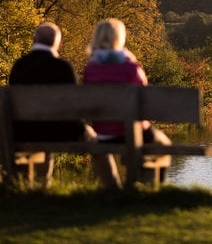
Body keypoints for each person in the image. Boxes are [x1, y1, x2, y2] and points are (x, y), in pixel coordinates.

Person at [9, 22, 100, 187]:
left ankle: (29, 188)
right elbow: (75, 108)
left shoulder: (19, 66)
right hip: (62, 133)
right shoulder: (63, 67)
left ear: (34, 40)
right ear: (58, 43)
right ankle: (113, 189)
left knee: (41, 132)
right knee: (97, 141)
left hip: (23, 132)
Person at [83, 18, 172, 185]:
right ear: (120, 38)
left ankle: (113, 190)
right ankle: (151, 188)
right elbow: (145, 101)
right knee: (164, 144)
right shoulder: (131, 67)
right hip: (135, 132)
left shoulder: (91, 69)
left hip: (103, 133)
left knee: (101, 150)